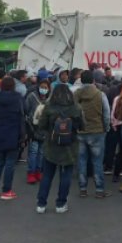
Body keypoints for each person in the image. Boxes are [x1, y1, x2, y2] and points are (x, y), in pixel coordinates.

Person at [36, 84, 84, 214]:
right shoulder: (76, 108)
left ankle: (41, 204)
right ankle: (61, 204)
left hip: (51, 146)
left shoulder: (49, 107)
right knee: (66, 176)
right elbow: (82, 126)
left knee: (47, 176)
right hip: (70, 146)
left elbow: (41, 125)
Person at [74, 70, 111, 198]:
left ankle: (83, 189)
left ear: (81, 80)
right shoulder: (100, 94)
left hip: (80, 132)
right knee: (97, 162)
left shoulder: (76, 94)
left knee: (82, 161)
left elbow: (72, 112)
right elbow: (106, 114)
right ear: (93, 80)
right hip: (97, 131)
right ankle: (99, 190)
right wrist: (106, 128)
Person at [0, 76, 25, 200]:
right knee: (10, 163)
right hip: (13, 133)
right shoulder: (18, 98)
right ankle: (6, 190)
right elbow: (22, 116)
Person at [25, 79, 50, 184]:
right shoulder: (31, 97)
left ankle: (38, 172)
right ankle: (31, 173)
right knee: (33, 152)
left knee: (41, 152)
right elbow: (26, 110)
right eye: (42, 87)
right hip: (33, 129)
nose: (43, 90)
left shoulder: (49, 100)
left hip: (45, 130)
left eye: (46, 88)